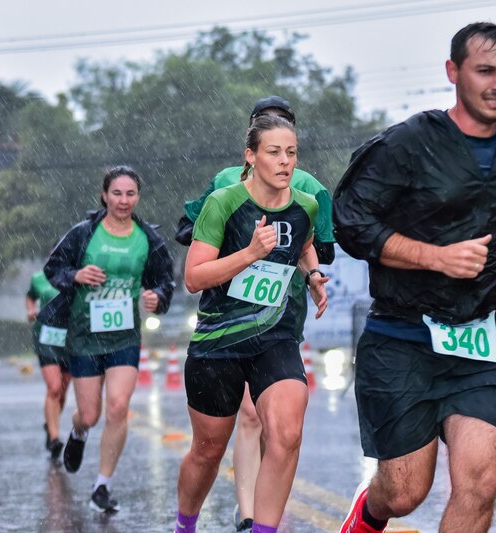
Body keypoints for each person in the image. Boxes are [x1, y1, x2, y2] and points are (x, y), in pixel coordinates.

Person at [333, 22, 496, 533]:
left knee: (480, 482)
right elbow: (350, 221)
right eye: (485, 71)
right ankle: (368, 513)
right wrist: (434, 257)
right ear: (453, 72)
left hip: (480, 343)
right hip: (402, 339)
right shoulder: (408, 144)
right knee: (405, 491)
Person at [176, 95, 336, 532]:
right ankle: (184, 524)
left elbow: (302, 241)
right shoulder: (223, 202)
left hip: (275, 335)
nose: (285, 162)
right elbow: (194, 277)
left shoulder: (307, 203)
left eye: (291, 153)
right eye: (274, 152)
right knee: (208, 451)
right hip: (218, 341)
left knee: (285, 433)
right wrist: (248, 254)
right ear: (251, 156)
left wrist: (313, 272)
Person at [42, 165, 175, 512]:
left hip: (124, 337)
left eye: (130, 194)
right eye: (117, 193)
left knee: (118, 407)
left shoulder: (148, 239)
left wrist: (156, 297)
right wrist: (77, 274)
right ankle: (78, 432)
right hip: (85, 336)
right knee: (89, 414)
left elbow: (165, 281)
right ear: (104, 195)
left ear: (138, 197)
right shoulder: (84, 233)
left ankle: (102, 485)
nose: (124, 200)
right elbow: (53, 269)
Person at [26, 270, 72, 461]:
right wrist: (30, 310)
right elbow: (30, 297)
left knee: (62, 390)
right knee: (53, 387)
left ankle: (50, 424)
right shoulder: (39, 278)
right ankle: (54, 438)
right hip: (47, 337)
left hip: (71, 338)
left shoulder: (80, 276)